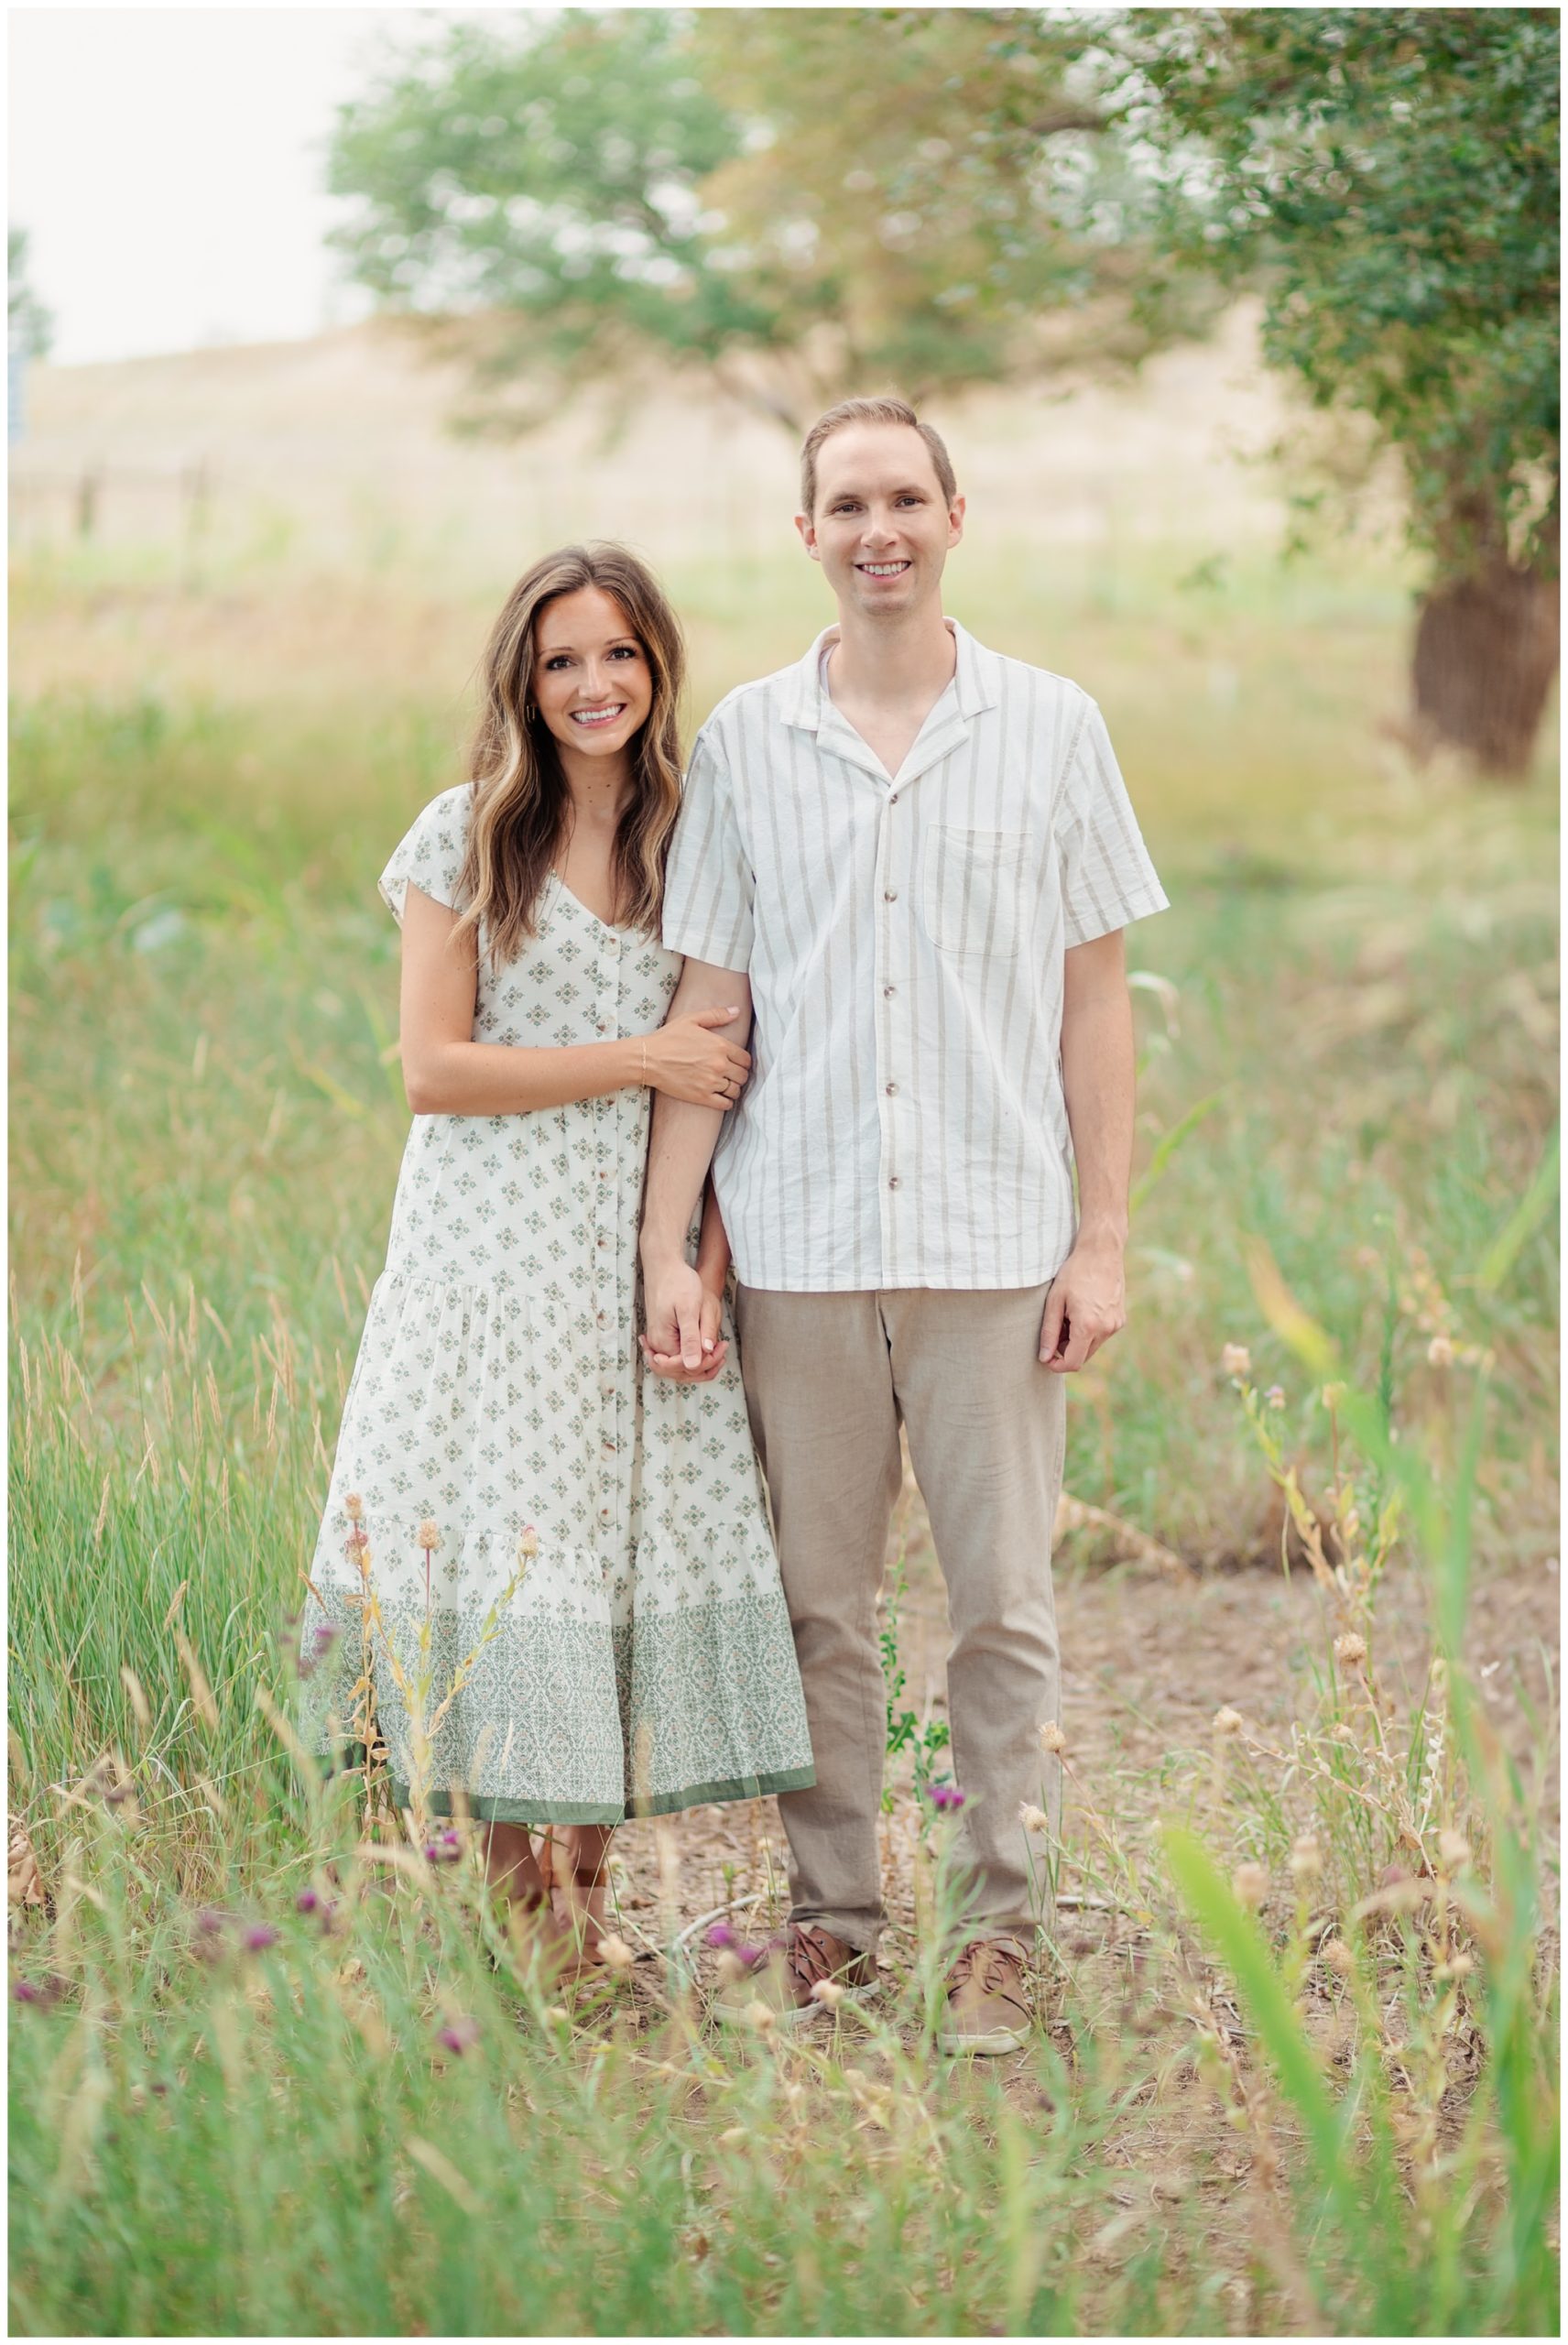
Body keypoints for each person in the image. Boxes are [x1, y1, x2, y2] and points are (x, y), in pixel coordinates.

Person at [641, 398, 1168, 2054]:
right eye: (844, 503)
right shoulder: (740, 739)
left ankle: (1002, 1929)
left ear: (956, 515)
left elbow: (1098, 1004)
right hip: (797, 1249)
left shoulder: (1052, 725)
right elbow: (710, 1009)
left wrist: (1103, 1238)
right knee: (819, 1611)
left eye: (903, 499)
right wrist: (676, 1247)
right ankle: (836, 1923)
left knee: (1003, 1607)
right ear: (805, 534)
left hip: (994, 1249)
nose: (877, 528)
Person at [298, 543, 813, 1970]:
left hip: (635, 1255)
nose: (595, 686)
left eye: (620, 656)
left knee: (620, 1558)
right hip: (485, 1254)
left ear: (659, 667)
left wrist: (698, 1267)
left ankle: (586, 1910)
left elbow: (728, 1081)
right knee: (498, 1554)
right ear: (525, 680)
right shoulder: (466, 836)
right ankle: (516, 1911)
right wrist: (638, 1054)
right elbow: (433, 1069)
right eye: (563, 660)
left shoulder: (703, 835)